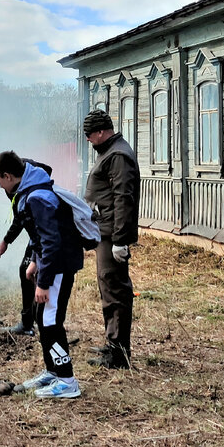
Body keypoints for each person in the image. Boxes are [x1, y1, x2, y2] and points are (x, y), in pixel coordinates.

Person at [0, 151, 83, 399]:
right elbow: (39, 238)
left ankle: (67, 380)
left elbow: (51, 242)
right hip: (52, 264)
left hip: (59, 266)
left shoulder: (38, 196)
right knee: (42, 318)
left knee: (50, 320)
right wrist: (35, 263)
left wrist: (42, 282)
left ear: (8, 176)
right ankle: (53, 370)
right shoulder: (29, 190)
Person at [82, 109, 140, 370]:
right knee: (109, 289)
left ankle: (118, 354)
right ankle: (113, 344)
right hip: (103, 232)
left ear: (102, 131)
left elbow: (123, 198)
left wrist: (120, 240)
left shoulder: (117, 155)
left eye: (89, 134)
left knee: (115, 290)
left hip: (111, 236)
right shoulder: (111, 151)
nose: (88, 140)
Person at [0, 152, 54, 336]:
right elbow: (21, 217)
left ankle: (41, 322)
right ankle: (34, 321)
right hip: (37, 233)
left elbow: (23, 218)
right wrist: (5, 242)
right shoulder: (14, 185)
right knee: (26, 271)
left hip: (43, 234)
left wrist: (6, 241)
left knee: (29, 271)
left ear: (4, 174)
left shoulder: (25, 181)